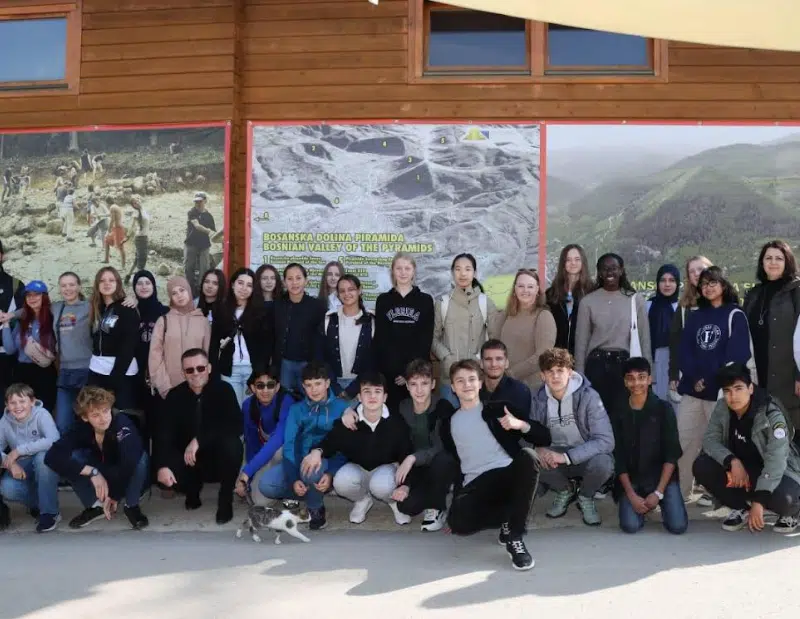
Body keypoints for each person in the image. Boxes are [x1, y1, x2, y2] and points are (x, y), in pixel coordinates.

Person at [441, 359, 550, 571]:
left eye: (472, 379)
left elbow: (544, 436)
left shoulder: (498, 409)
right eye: (460, 381)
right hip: (476, 483)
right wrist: (456, 501)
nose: (467, 385)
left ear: (480, 383)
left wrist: (520, 425)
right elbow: (457, 463)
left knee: (528, 456)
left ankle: (514, 536)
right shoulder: (449, 423)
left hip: (505, 475)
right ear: (453, 387)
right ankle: (507, 519)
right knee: (458, 523)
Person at [693, 362, 800, 534]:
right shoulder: (722, 407)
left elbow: (777, 460)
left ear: (750, 388)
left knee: (786, 499)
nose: (733, 396)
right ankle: (741, 508)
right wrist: (731, 461)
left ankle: (791, 513)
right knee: (702, 465)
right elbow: (710, 440)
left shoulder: (770, 413)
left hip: (777, 472)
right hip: (743, 471)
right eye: (727, 391)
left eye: (738, 388)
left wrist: (760, 500)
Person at [676, 266, 753, 500]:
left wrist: (710, 380)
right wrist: (694, 378)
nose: (708, 287)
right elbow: (684, 351)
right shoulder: (696, 315)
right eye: (704, 284)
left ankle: (725, 498)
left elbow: (737, 355)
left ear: (724, 285)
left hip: (720, 394)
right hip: (692, 391)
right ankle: (680, 494)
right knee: (683, 442)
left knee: (721, 447)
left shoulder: (735, 315)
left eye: (713, 282)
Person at [301, 372, 414, 525]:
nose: (372, 397)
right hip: (359, 468)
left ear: (385, 397)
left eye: (377, 392)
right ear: (359, 397)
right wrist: (317, 451)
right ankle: (362, 500)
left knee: (381, 485)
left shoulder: (396, 422)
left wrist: (405, 485)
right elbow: (330, 442)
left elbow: (406, 454)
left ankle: (394, 503)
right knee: (341, 481)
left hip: (386, 469)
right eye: (367, 392)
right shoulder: (350, 421)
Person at [155, 348, 243, 524]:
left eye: (200, 368)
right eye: (189, 370)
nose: (195, 373)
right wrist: (162, 466)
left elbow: (236, 425)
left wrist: (200, 440)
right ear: (183, 373)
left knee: (233, 445)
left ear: (209, 368)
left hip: (216, 456)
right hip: (188, 460)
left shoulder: (224, 390)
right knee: (163, 468)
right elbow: (163, 434)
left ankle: (225, 499)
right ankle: (192, 490)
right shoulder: (175, 396)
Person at [258, 361, 349, 531]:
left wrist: (330, 473)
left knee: (311, 469)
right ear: (303, 386)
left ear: (327, 383)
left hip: (328, 461)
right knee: (267, 485)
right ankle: (302, 493)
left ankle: (315, 508)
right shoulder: (296, 409)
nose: (314, 390)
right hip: (300, 459)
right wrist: (294, 479)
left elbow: (346, 446)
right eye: (309, 385)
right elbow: (289, 445)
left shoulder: (342, 408)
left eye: (318, 384)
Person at [44, 386, 149, 530]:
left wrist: (114, 495)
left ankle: (132, 506)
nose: (103, 418)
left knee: (140, 458)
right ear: (85, 417)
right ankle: (95, 506)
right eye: (95, 415)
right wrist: (92, 472)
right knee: (72, 457)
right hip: (101, 472)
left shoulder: (122, 423)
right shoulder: (80, 428)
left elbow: (129, 461)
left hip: (125, 475)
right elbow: (51, 456)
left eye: (105, 411)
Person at [530, 347, 615, 526]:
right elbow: (528, 436)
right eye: (550, 371)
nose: (555, 376)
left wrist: (566, 457)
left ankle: (585, 496)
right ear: (542, 376)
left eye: (560, 370)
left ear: (569, 372)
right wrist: (539, 449)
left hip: (583, 455)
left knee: (604, 463)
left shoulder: (589, 397)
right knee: (530, 457)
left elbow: (606, 440)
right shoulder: (537, 399)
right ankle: (565, 490)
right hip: (554, 457)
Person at [613, 357, 688, 535]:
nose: (636, 383)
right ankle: (640, 505)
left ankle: (659, 502)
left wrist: (658, 493)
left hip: (662, 479)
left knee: (678, 527)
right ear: (625, 382)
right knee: (630, 526)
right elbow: (618, 457)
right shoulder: (618, 411)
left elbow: (672, 454)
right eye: (630, 378)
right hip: (633, 480)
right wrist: (631, 495)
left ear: (649, 379)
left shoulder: (664, 409)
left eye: (641, 377)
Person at [574, 253, 652, 420]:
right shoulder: (587, 301)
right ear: (599, 273)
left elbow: (644, 339)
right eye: (605, 269)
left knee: (624, 419)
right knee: (596, 419)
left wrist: (646, 374)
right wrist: (579, 376)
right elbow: (581, 342)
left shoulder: (635, 300)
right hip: (596, 368)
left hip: (625, 368)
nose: (610, 272)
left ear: (621, 270)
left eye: (614, 268)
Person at [391, 359, 459, 532]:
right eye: (414, 384)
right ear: (407, 386)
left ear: (433, 384)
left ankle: (437, 507)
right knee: (406, 506)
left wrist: (413, 458)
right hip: (417, 470)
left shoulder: (443, 406)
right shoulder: (403, 408)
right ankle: (434, 491)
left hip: (441, 463)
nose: (419, 390)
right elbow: (401, 447)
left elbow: (442, 446)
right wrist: (406, 484)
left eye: (424, 383)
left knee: (443, 460)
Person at [743, 240, 800, 438]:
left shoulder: (797, 291)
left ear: (788, 262)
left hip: (788, 376)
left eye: (779, 258)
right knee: (764, 436)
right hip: (759, 374)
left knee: (791, 433)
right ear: (762, 263)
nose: (773, 262)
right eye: (768, 258)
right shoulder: (753, 294)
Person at [374, 252, 435, 411]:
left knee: (415, 415)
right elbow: (381, 339)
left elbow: (425, 340)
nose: (403, 272)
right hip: (389, 374)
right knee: (391, 415)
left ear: (414, 271)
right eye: (399, 268)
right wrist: (394, 371)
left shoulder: (425, 300)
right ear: (392, 271)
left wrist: (408, 373)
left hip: (416, 375)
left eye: (407, 268)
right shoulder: (383, 300)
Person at [432, 253, 496, 404]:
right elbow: (433, 338)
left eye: (468, 269)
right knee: (449, 417)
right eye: (458, 269)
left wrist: (480, 358)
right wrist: (446, 357)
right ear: (452, 273)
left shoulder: (485, 303)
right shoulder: (442, 303)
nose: (463, 274)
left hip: (477, 378)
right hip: (450, 379)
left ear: (475, 273)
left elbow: (494, 339)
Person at [0, 383, 60, 533]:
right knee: (7, 488)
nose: (18, 406)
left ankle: (49, 513)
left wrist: (18, 451)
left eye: (22, 401)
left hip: (43, 462)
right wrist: (10, 463)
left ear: (32, 402)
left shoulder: (42, 414)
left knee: (42, 459)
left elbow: (54, 439)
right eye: (13, 403)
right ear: (6, 405)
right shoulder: (5, 421)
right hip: (22, 464)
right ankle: (39, 505)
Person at [210, 267, 274, 406]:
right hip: (229, 369)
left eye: (249, 285)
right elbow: (214, 343)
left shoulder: (261, 312)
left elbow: (266, 345)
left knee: (252, 410)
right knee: (233, 409)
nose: (244, 288)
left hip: (253, 369)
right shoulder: (221, 310)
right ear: (233, 284)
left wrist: (259, 371)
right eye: (240, 283)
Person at [489, 268, 557, 392]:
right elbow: (494, 345)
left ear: (537, 290)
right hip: (503, 385)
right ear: (515, 289)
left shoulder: (543, 316)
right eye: (521, 286)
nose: (525, 290)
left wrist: (510, 374)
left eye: (530, 287)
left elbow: (543, 355)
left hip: (530, 387)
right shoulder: (506, 314)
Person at [236, 365, 296, 498]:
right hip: (264, 452)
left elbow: (278, 439)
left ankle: (289, 484)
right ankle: (265, 475)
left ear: (277, 387)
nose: (265, 390)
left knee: (279, 451)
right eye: (260, 386)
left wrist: (247, 472)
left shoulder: (287, 402)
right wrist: (249, 479)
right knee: (256, 498)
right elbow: (251, 445)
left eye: (270, 385)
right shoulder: (248, 406)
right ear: (253, 388)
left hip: (283, 453)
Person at [148, 276, 211, 400]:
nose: (179, 295)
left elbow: (207, 354)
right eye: (174, 293)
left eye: (182, 290)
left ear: (189, 291)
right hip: (170, 388)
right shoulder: (163, 321)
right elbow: (155, 356)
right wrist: (164, 387)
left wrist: (202, 384)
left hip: (198, 388)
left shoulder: (203, 322)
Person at [87, 267, 140, 412]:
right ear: (97, 284)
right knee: (95, 415)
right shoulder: (96, 308)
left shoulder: (127, 308)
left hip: (121, 374)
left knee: (120, 418)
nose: (107, 283)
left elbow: (128, 346)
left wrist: (115, 379)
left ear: (118, 283)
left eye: (111, 280)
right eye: (102, 280)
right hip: (97, 371)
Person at [1, 281, 57, 413]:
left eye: (36, 294)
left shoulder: (53, 317)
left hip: (43, 373)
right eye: (28, 295)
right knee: (22, 414)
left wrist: (13, 314)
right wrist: (6, 323)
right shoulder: (23, 320)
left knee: (43, 412)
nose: (32, 298)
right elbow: (10, 349)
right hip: (22, 373)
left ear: (44, 296)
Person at [318, 274, 375, 400]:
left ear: (360, 290)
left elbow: (373, 360)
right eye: (342, 291)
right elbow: (321, 357)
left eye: (351, 289)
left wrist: (353, 389)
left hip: (362, 387)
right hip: (331, 386)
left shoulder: (371, 321)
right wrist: (335, 387)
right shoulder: (328, 319)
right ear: (338, 294)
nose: (346, 294)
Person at [273, 263, 327, 395]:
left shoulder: (317, 306)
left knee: (309, 399)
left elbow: (322, 339)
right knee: (285, 400)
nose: (294, 282)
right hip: (284, 364)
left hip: (308, 364)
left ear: (306, 281)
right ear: (284, 282)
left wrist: (317, 365)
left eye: (298, 278)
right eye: (290, 279)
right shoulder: (277, 306)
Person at [51, 272, 92, 434]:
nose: (68, 289)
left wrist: (132, 300)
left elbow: (114, 307)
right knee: (63, 423)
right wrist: (10, 315)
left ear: (79, 286)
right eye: (64, 285)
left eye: (72, 284)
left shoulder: (90, 306)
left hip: (86, 371)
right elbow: (32, 309)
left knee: (87, 422)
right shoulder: (56, 307)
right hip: (64, 372)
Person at [668, 256, 714, 400]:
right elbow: (675, 343)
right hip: (690, 379)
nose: (696, 274)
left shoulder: (726, 303)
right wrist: (674, 374)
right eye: (691, 271)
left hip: (717, 379)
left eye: (700, 269)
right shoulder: (684, 307)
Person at [130, 270, 168, 442]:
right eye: (139, 283)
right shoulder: (130, 311)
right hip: (134, 375)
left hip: (158, 375)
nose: (144, 286)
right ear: (134, 288)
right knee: (138, 422)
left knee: (159, 422)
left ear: (154, 286)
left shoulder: (164, 312)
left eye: (148, 283)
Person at [546, 244, 593, 355]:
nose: (573, 263)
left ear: (583, 262)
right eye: (568, 260)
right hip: (556, 356)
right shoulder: (551, 293)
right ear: (563, 263)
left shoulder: (592, 292)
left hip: (584, 355)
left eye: (577, 259)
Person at [647, 264, 680, 403]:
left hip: (677, 361)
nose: (667, 284)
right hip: (654, 359)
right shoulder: (648, 305)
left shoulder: (683, 307)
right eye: (663, 280)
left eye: (672, 280)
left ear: (678, 283)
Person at [479, 339, 532, 415]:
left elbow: (523, 421)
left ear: (506, 363)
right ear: (481, 363)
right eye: (488, 359)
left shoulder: (520, 391)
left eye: (499, 359)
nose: (493, 364)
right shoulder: (473, 391)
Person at [0, 239, 25, 398]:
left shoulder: (15, 284)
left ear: (2, 255)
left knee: (10, 401)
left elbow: (29, 311)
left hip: (8, 356)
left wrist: (11, 315)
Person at [184, 191, 216, 297]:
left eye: (200, 201)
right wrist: (209, 232)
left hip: (204, 245)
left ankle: (201, 289)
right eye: (196, 201)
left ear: (205, 201)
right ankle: (190, 289)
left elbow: (214, 232)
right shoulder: (192, 212)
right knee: (189, 267)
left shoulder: (209, 216)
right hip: (191, 243)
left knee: (204, 268)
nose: (197, 204)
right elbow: (197, 226)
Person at [124, 198, 152, 282]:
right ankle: (139, 280)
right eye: (134, 203)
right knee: (142, 259)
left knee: (137, 259)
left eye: (137, 201)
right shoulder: (136, 213)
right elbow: (132, 226)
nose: (137, 203)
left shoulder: (143, 210)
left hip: (144, 237)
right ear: (133, 206)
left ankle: (128, 275)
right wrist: (127, 236)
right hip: (140, 239)